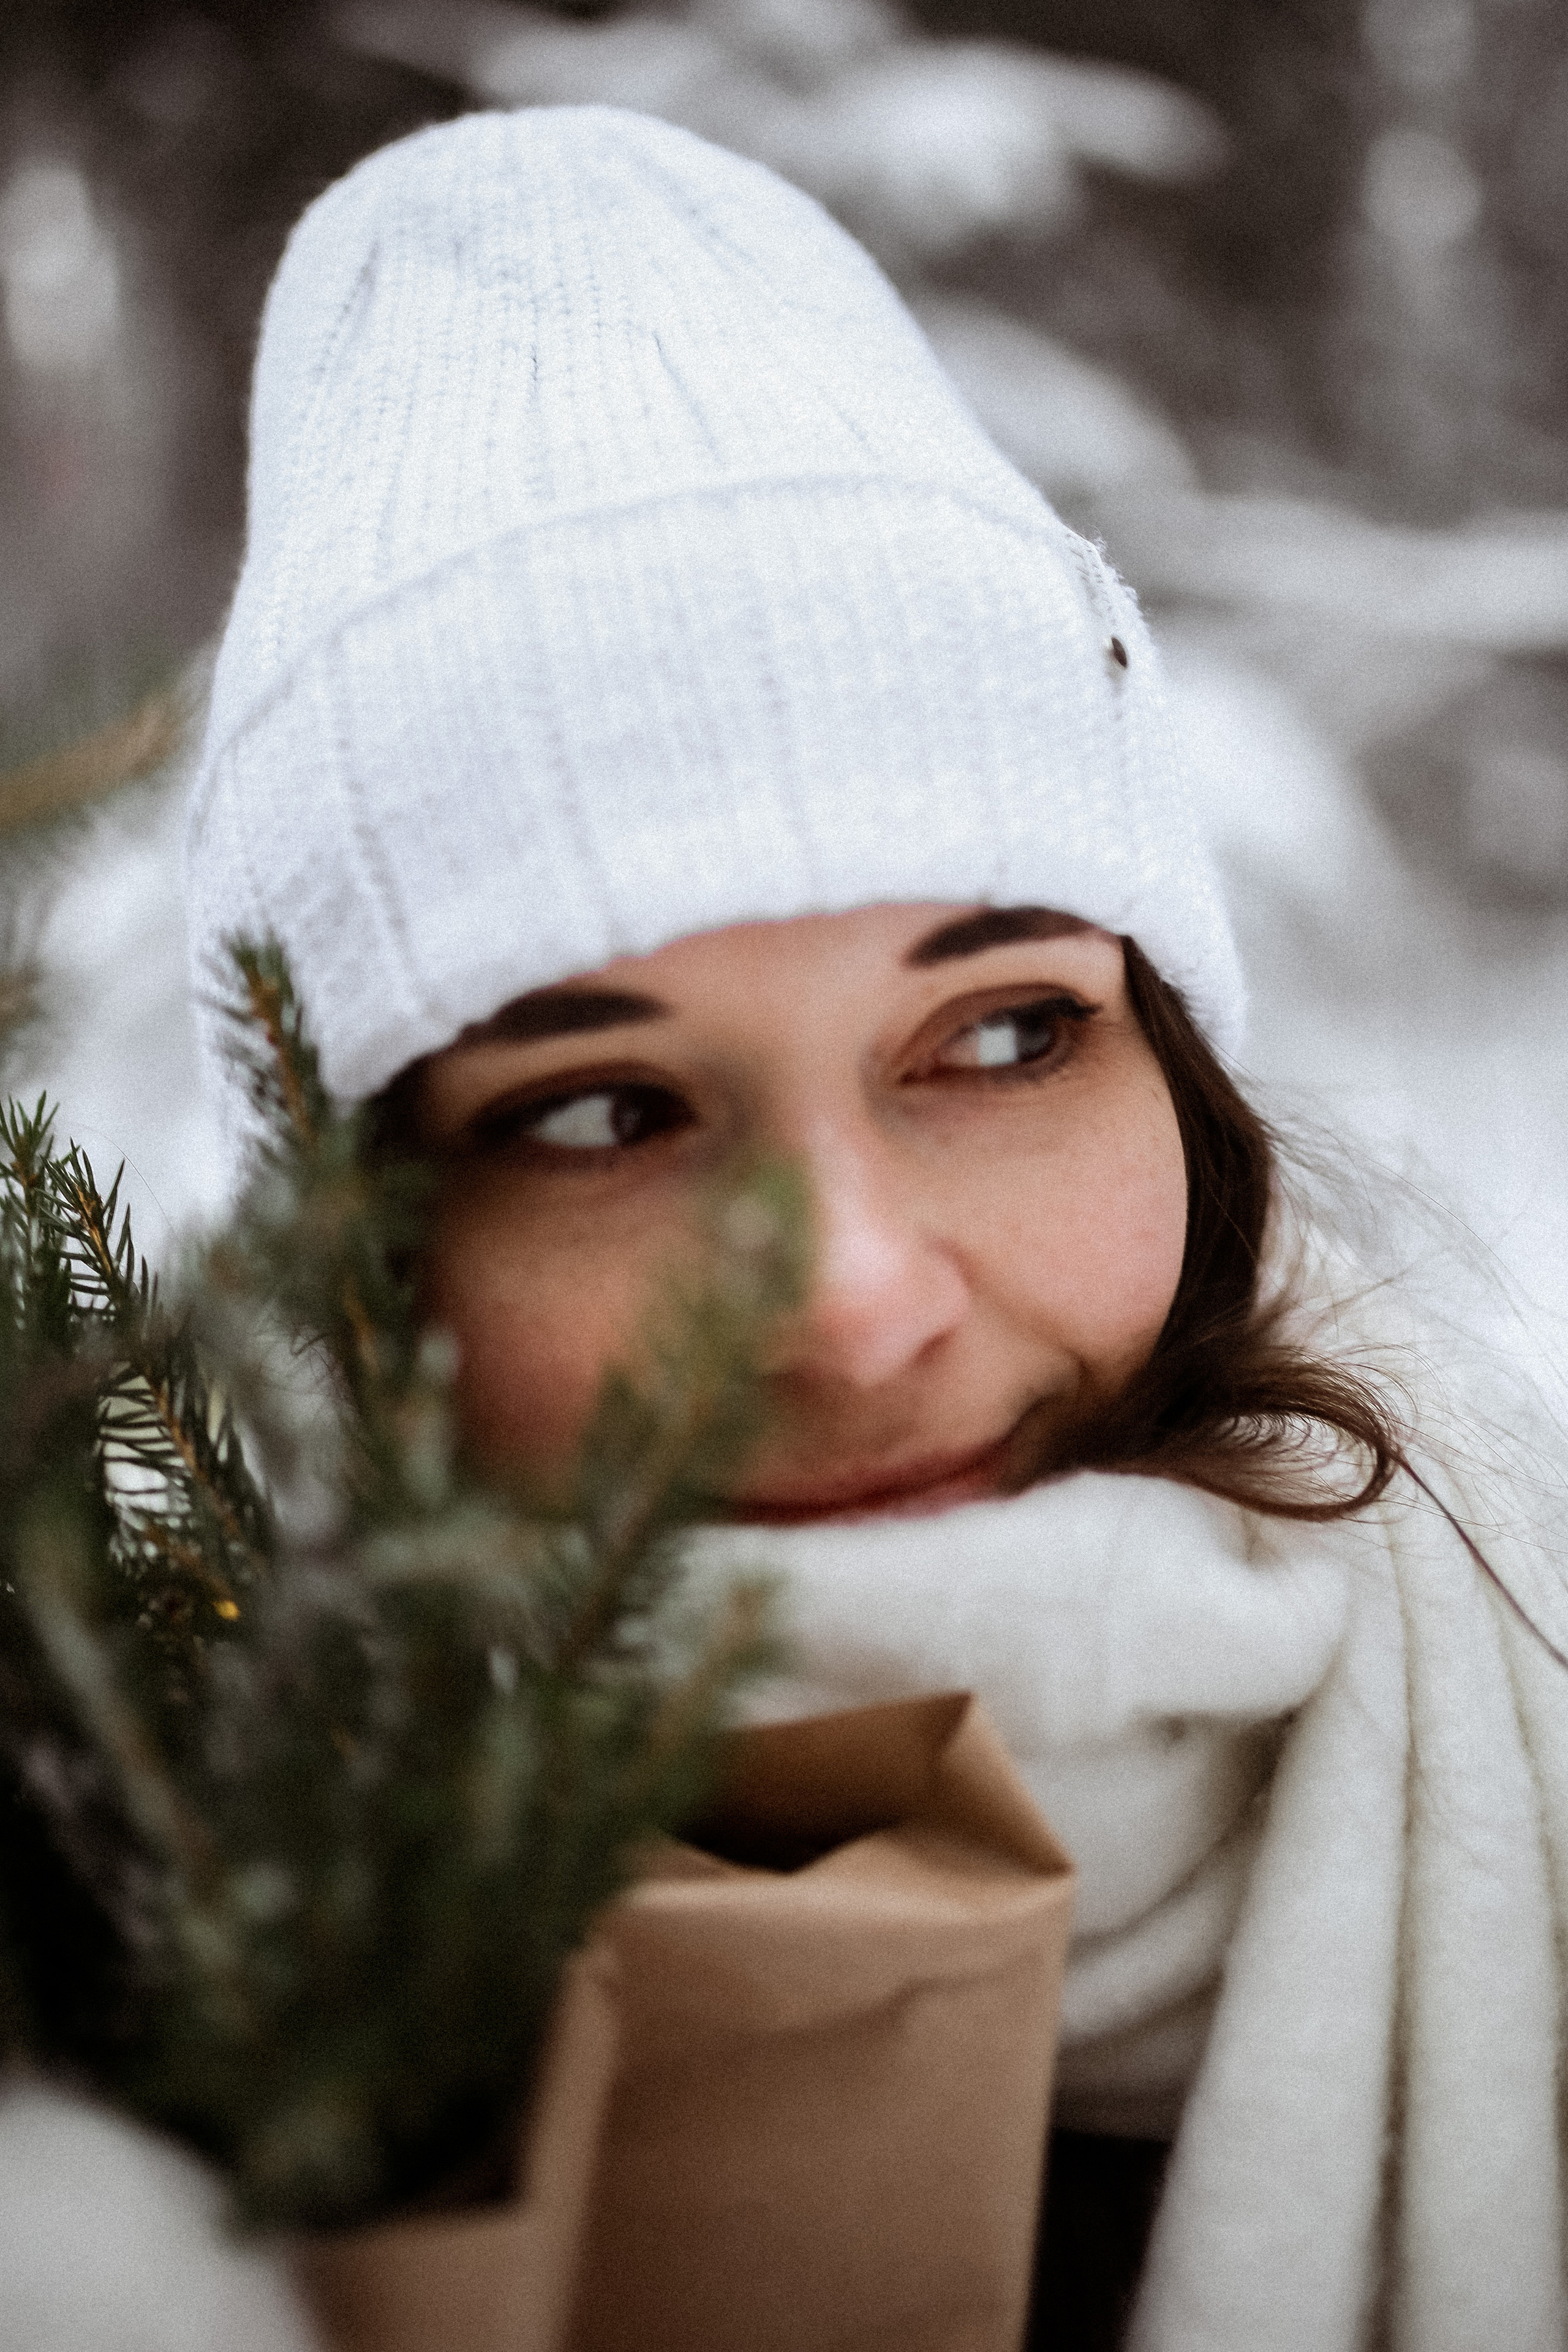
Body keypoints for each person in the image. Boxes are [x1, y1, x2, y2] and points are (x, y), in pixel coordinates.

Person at [184, 106, 1568, 2352]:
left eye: (1004, 1037)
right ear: (355, 1266)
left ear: (1179, 1073)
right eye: (601, 1113)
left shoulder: (1529, 1665)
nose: (851, 1298)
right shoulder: (139, 1977)